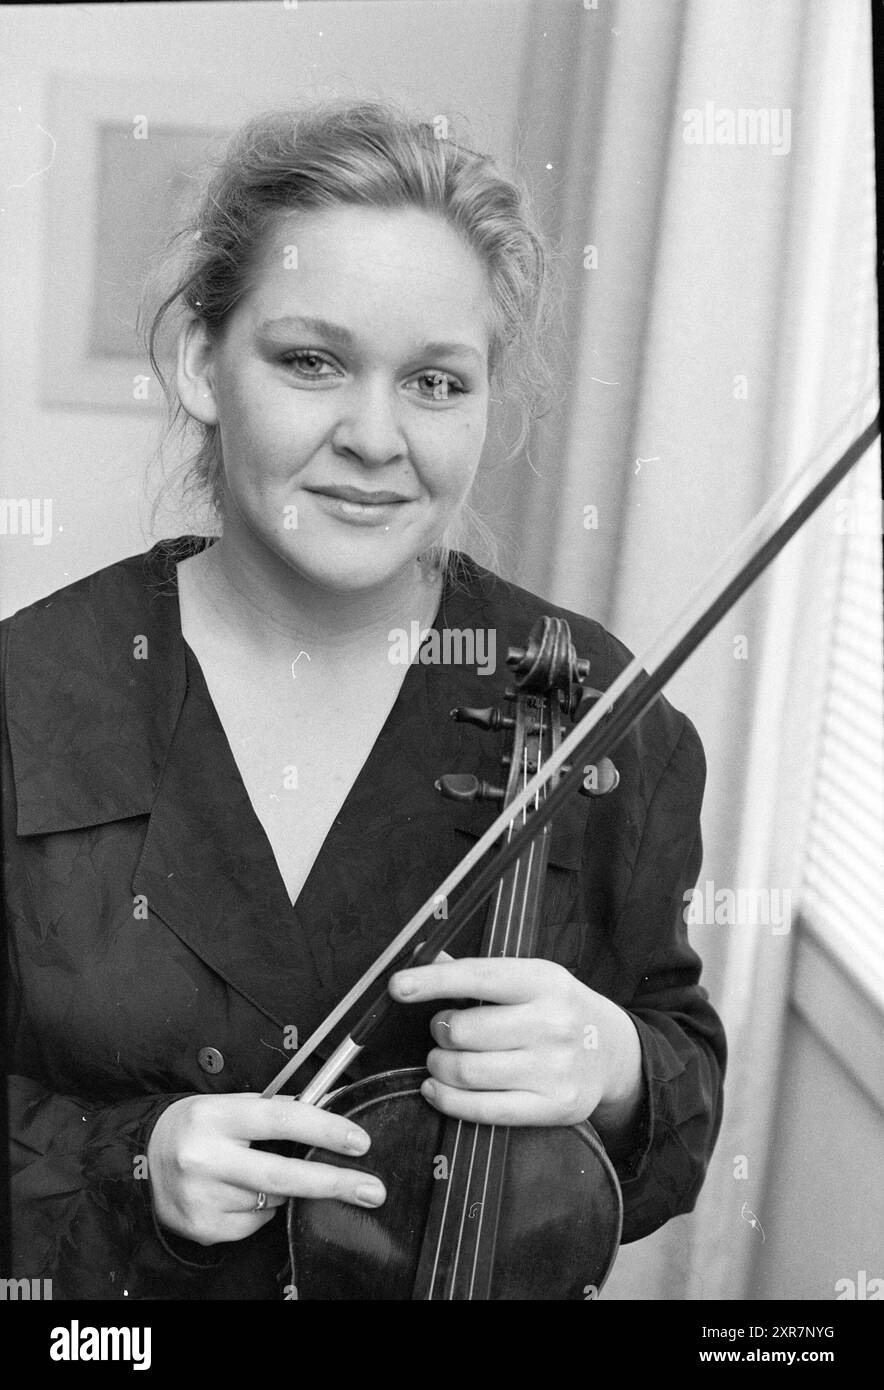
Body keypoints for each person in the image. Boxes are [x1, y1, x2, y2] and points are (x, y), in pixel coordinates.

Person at [2, 100, 725, 1300]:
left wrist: (613, 1062)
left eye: (436, 381)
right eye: (310, 361)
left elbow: (674, 1106)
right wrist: (131, 1163)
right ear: (199, 359)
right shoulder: (30, 695)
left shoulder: (604, 715)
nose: (375, 437)